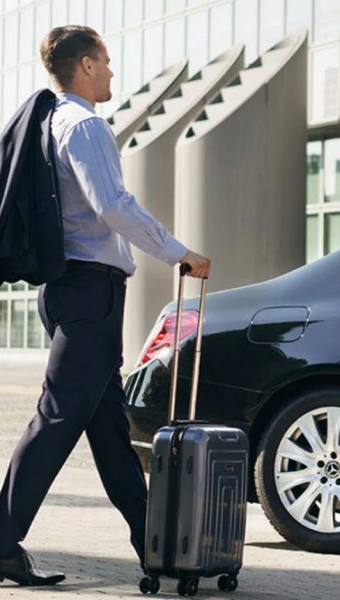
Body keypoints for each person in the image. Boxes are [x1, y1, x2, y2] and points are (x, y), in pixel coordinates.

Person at [0, 25, 211, 587]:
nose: (114, 72)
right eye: (108, 62)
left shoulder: (47, 122)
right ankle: (0, 542)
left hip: (71, 289)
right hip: (90, 291)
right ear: (86, 66)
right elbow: (112, 205)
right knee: (57, 418)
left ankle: (155, 548)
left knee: (110, 432)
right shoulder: (85, 124)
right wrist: (180, 253)